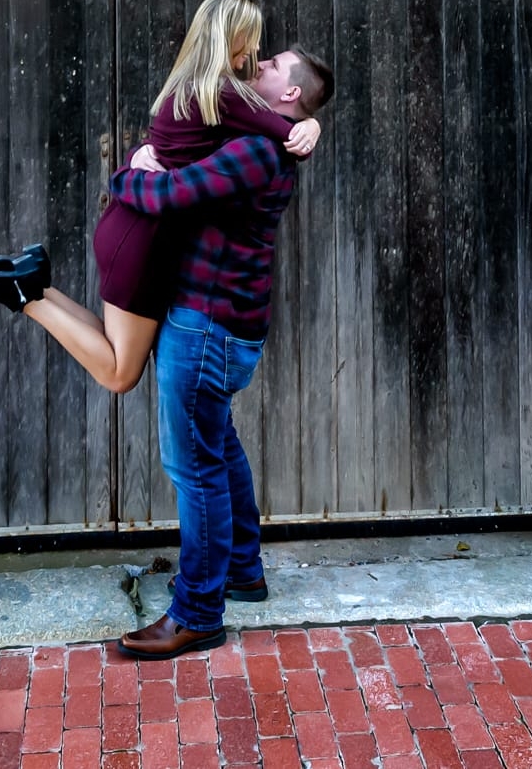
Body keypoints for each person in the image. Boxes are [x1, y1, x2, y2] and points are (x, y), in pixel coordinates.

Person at [0, 0, 321, 393]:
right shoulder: (226, 93)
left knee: (117, 348)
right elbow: (289, 137)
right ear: (230, 37)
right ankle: (27, 295)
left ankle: (33, 282)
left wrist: (129, 168)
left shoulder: (192, 83)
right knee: (119, 373)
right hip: (145, 237)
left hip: (129, 223)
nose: (254, 53)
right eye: (250, 41)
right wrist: (313, 127)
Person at [111, 47, 334, 660]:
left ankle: (198, 613)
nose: (256, 65)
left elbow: (165, 196)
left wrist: (127, 175)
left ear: (289, 94)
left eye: (270, 66)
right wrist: (308, 126)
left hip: (207, 327)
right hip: (230, 324)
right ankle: (242, 569)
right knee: (218, 441)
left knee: (195, 467)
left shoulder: (253, 151)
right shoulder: (266, 138)